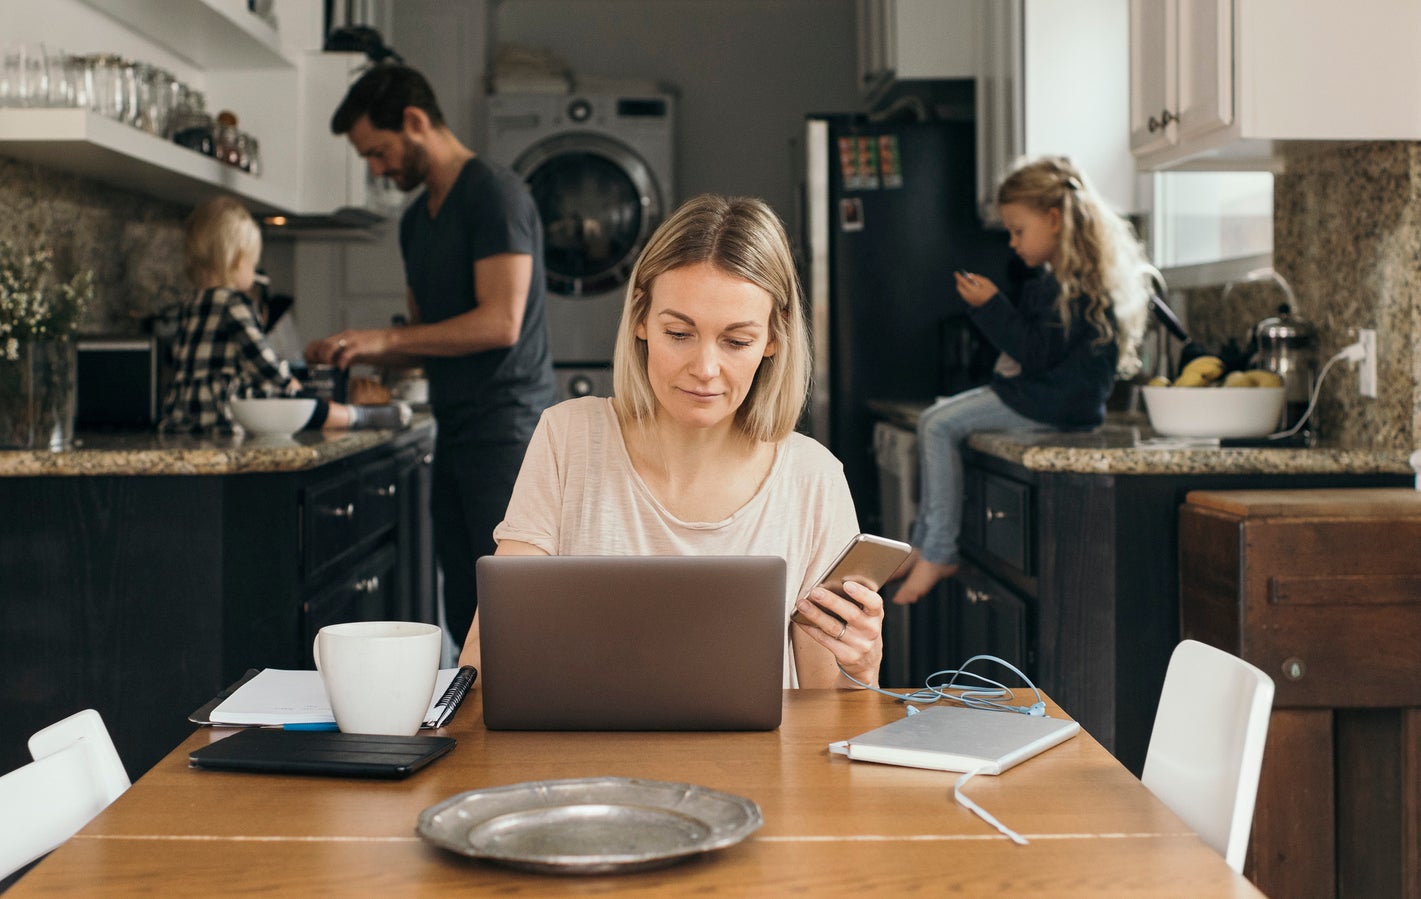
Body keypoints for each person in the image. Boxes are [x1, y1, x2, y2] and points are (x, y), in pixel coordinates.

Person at [456, 194, 884, 689]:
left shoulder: (814, 478)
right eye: (679, 333)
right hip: (591, 764)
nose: (704, 369)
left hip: (756, 768)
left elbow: (827, 712)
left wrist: (860, 666)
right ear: (641, 318)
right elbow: (486, 662)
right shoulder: (567, 438)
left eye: (736, 341)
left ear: (773, 339)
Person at [305, 64, 557, 650]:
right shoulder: (417, 221)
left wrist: (382, 340)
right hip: (455, 426)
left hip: (508, 431)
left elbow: (500, 323)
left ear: (415, 122)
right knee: (465, 602)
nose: (375, 168)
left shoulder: (493, 194)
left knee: (513, 608)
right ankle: (476, 734)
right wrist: (355, 349)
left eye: (378, 151)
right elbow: (427, 336)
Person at [893, 156, 1150, 605]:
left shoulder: (1069, 288)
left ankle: (936, 550)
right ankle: (926, 544)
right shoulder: (1073, 282)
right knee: (938, 420)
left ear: (1054, 220)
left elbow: (1032, 354)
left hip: (1049, 403)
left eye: (1017, 229)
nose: (1012, 243)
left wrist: (991, 305)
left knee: (937, 423)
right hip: (1057, 404)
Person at [159, 195, 410, 433]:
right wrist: (288, 381)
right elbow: (260, 357)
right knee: (301, 404)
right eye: (253, 265)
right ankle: (357, 417)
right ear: (237, 262)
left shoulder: (189, 303)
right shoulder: (233, 303)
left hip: (183, 413)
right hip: (225, 412)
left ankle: (354, 415)